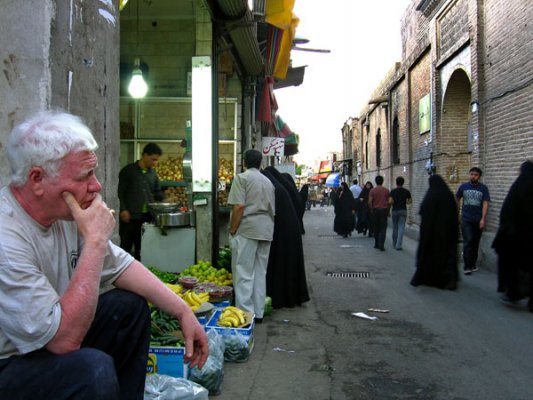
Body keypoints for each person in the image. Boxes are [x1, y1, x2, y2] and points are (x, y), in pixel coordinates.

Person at [0, 111, 208, 399]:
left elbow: (121, 267)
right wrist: (96, 241)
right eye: (85, 176)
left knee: (129, 308)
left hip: (50, 338)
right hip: (11, 362)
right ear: (37, 179)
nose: (96, 186)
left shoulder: (65, 214)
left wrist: (183, 310)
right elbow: (63, 342)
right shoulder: (6, 238)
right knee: (92, 370)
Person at [227, 149, 275, 323]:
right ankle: (259, 312)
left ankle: (245, 315)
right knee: (260, 272)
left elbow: (239, 207)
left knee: (243, 272)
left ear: (244, 162)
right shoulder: (268, 182)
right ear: (260, 162)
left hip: (247, 229)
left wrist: (232, 230)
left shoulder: (242, 178)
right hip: (266, 229)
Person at [262, 167, 310, 309]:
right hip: (289, 232)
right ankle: (290, 296)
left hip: (283, 232)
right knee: (287, 265)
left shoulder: (275, 189)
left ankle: (281, 297)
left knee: (281, 264)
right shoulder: (281, 189)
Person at [492, 160, 533, 311]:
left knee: (514, 266)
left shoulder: (518, 188)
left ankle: (514, 293)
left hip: (517, 238)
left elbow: (507, 212)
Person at [411, 174, 459, 290]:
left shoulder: (430, 196)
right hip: (448, 233)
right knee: (447, 254)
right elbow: (454, 214)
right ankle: (448, 279)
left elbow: (423, 211)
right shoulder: (448, 195)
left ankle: (431, 277)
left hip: (431, 234)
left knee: (431, 254)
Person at [118, 143, 164, 260]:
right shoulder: (128, 171)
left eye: (156, 160)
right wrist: (123, 209)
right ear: (144, 155)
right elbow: (119, 193)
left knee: (142, 248)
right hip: (129, 218)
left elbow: (157, 192)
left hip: (146, 218)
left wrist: (167, 199)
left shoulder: (152, 174)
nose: (155, 163)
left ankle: (139, 274)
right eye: (153, 159)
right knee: (125, 248)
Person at [456, 167, 490, 275]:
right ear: (469, 174)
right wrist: (458, 215)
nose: (473, 176)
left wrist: (483, 219)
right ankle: (466, 266)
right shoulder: (463, 187)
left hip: (477, 219)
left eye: (475, 175)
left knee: (475, 242)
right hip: (466, 219)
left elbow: (485, 203)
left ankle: (472, 264)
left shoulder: (483, 188)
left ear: (479, 176)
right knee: (469, 240)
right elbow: (457, 198)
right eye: (471, 174)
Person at [388, 176, 412, 250]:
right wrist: (404, 202)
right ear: (403, 183)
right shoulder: (406, 191)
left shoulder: (393, 191)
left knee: (395, 227)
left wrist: (393, 203)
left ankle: (394, 243)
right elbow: (410, 201)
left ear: (396, 183)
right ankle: (399, 245)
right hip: (403, 210)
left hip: (395, 211)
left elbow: (390, 202)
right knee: (401, 227)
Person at [368, 175, 390, 251]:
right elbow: (389, 202)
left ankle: (376, 243)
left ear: (375, 181)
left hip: (375, 210)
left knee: (376, 227)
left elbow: (370, 202)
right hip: (384, 210)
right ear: (382, 181)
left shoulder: (372, 190)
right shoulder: (386, 191)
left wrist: (371, 209)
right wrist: (388, 210)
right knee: (383, 228)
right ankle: (382, 245)